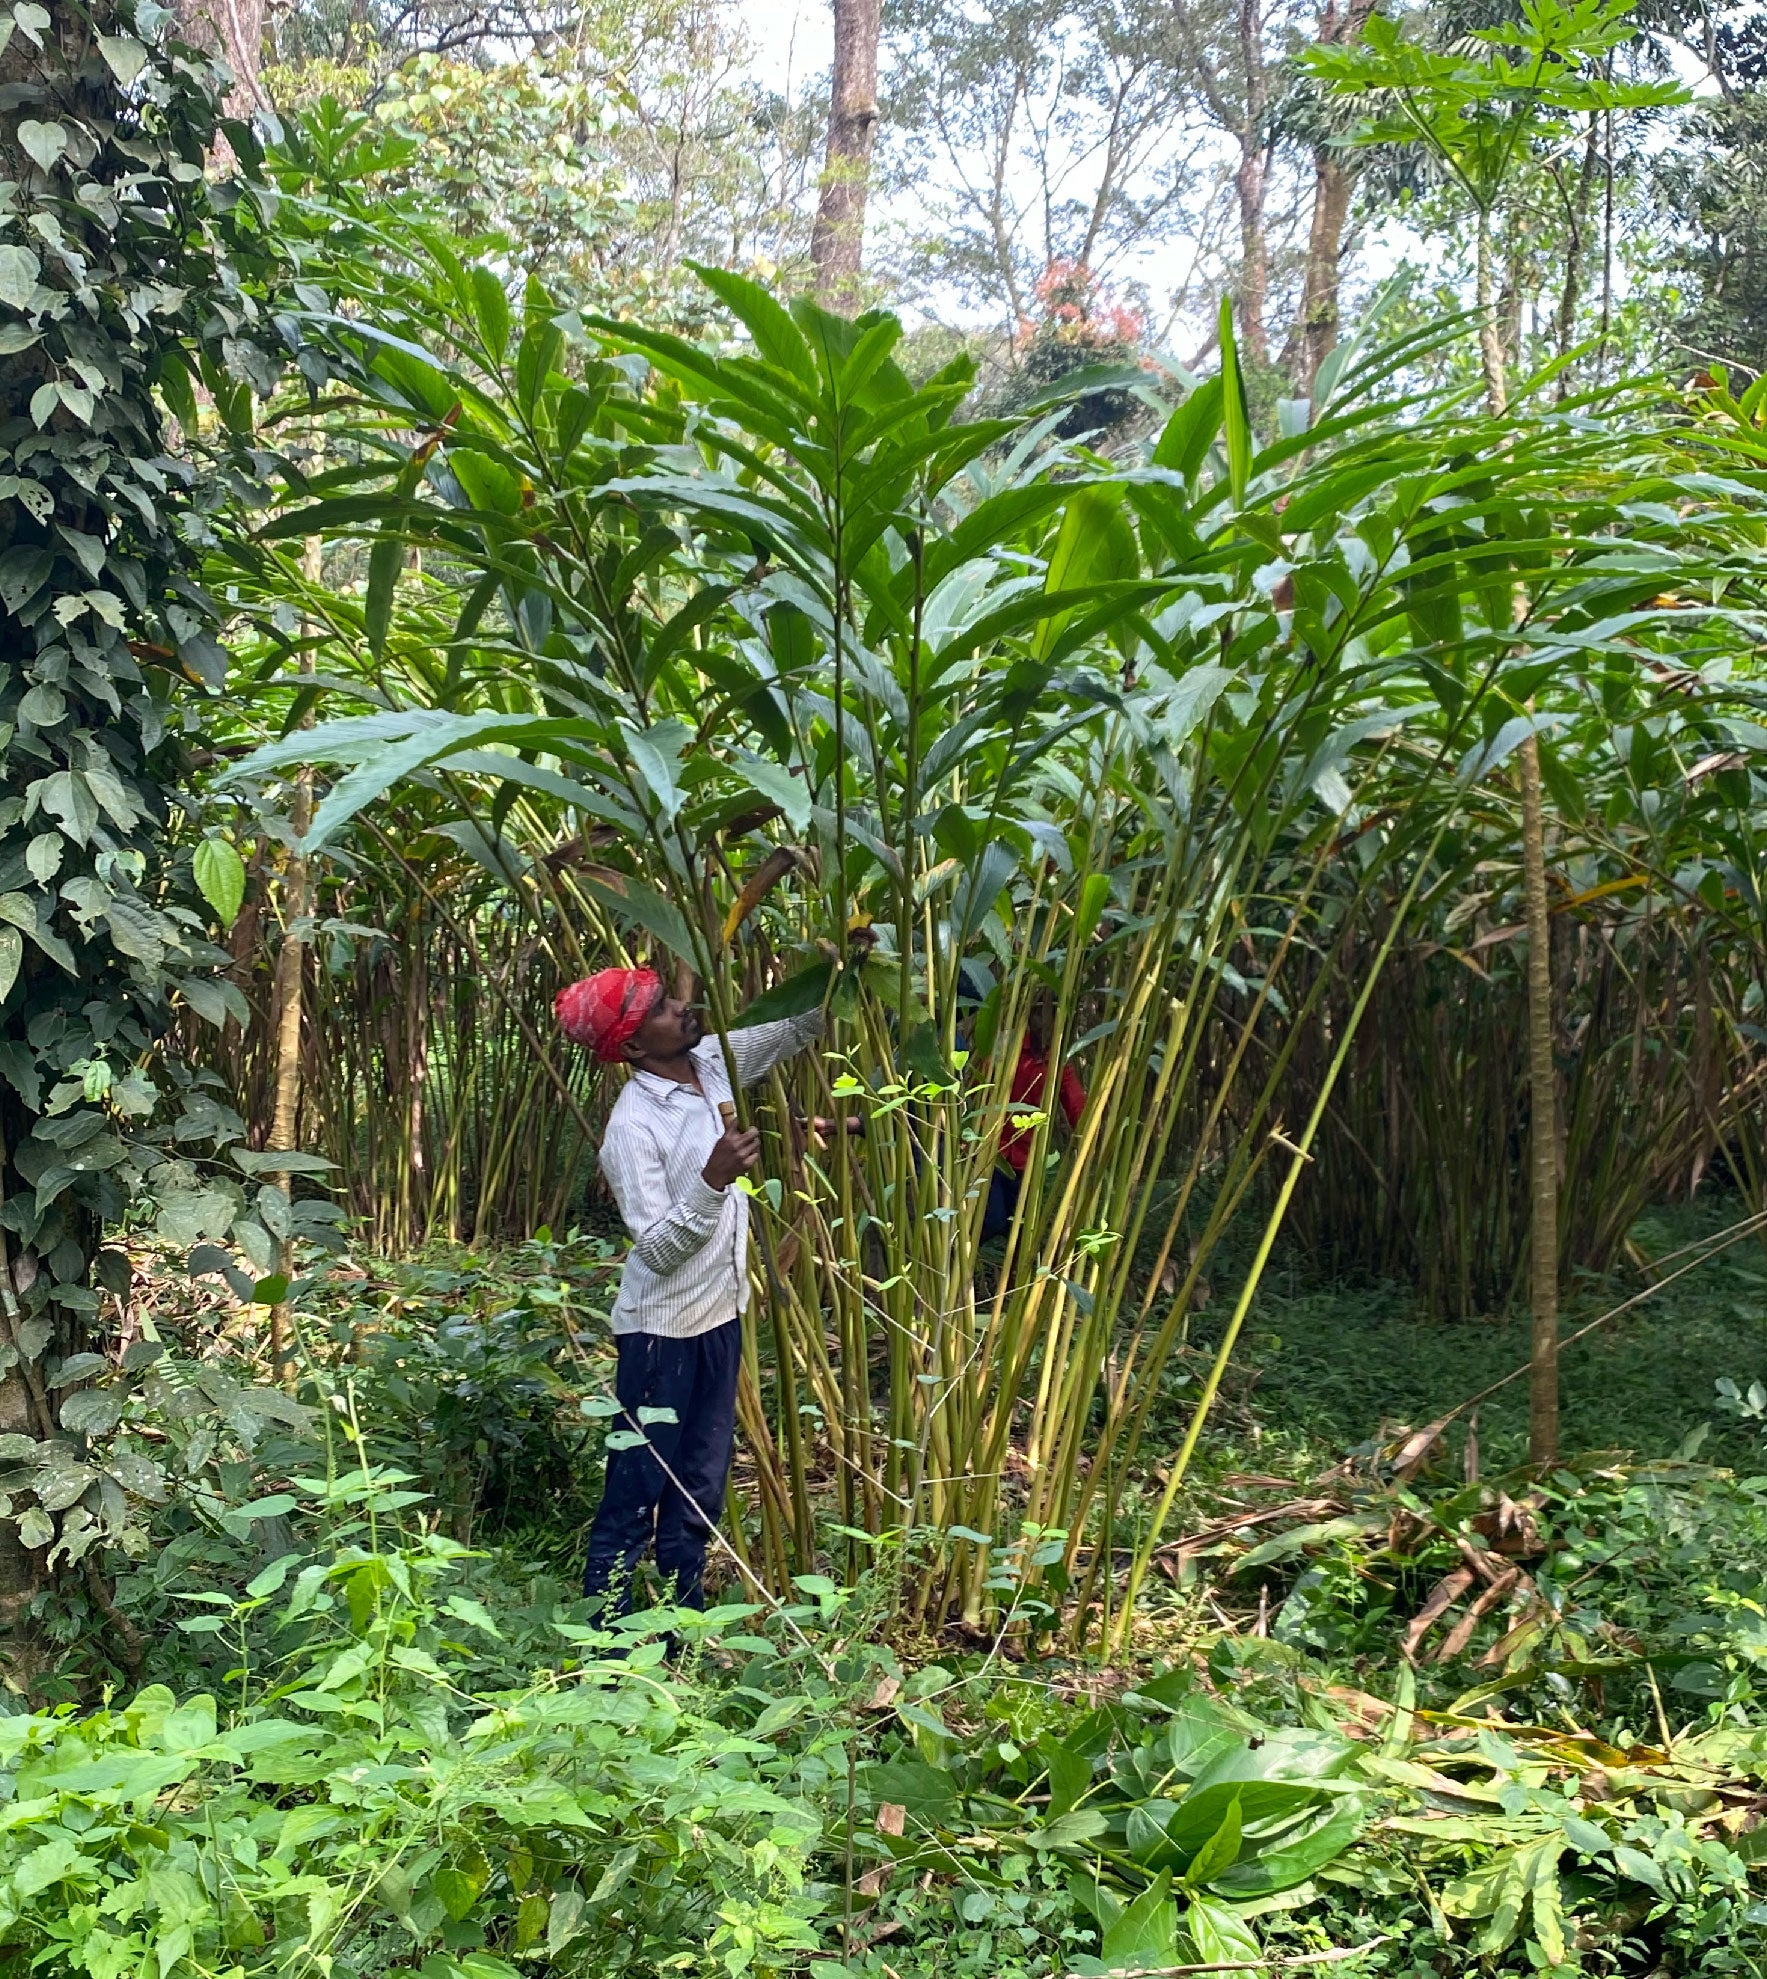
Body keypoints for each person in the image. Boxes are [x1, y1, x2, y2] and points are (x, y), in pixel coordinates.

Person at [555, 966, 823, 1617]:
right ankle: (607, 1639)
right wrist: (711, 1178)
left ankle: (683, 1629)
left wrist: (838, 967)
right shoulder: (632, 1126)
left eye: (669, 997)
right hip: (660, 1336)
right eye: (661, 1008)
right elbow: (657, 1248)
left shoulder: (711, 1061)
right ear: (637, 1046)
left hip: (719, 1319)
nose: (682, 1006)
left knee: (700, 1487)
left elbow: (793, 1027)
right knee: (637, 1487)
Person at [982, 1003, 1087, 1242]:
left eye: (1051, 1017)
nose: (1045, 1024)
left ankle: (1011, 1278)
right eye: (1040, 1014)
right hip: (992, 1152)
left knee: (1020, 1233)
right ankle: (955, 1257)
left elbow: (1076, 1104)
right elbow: (983, 1087)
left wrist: (1088, 1135)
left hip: (1026, 1159)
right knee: (993, 1219)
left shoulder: (1058, 1061)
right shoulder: (1008, 1046)